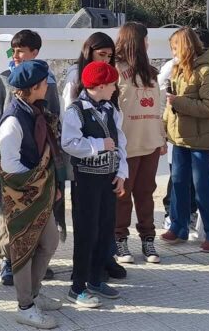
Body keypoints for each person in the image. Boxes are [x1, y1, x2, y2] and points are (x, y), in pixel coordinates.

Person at [0, 29, 63, 286]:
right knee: (9, 213)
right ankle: (9, 261)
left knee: (41, 214)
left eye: (21, 50)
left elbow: (54, 118)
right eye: (13, 49)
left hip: (40, 160)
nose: (16, 54)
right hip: (11, 160)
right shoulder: (5, 78)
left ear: (35, 53)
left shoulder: (48, 82)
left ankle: (35, 263)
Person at [0, 60, 65, 328]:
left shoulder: (36, 110)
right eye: (46, 81)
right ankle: (25, 306)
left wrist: (51, 186)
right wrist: (43, 183)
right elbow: (10, 165)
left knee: (49, 241)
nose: (49, 84)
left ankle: (34, 294)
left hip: (40, 195)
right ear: (35, 86)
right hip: (21, 197)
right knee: (23, 249)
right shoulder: (14, 118)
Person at [60, 32, 127, 280]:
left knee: (105, 223)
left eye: (110, 56)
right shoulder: (77, 90)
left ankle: (100, 269)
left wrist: (121, 171)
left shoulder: (109, 103)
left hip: (108, 171)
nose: (107, 60)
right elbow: (71, 133)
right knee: (87, 225)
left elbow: (119, 137)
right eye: (102, 55)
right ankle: (82, 276)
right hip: (86, 170)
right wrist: (99, 144)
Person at [161, 27, 209, 252]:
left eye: (175, 47)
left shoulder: (206, 71)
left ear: (185, 47)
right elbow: (171, 104)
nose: (173, 52)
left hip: (199, 140)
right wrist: (164, 127)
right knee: (178, 182)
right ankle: (178, 226)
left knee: (202, 186)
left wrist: (179, 103)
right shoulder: (178, 70)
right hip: (179, 137)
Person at [113, 22, 166, 265]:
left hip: (151, 142)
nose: (148, 44)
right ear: (136, 41)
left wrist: (161, 137)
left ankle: (148, 238)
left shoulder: (152, 73)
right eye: (145, 39)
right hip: (126, 145)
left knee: (146, 194)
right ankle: (120, 240)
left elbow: (158, 107)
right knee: (122, 195)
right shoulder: (115, 70)